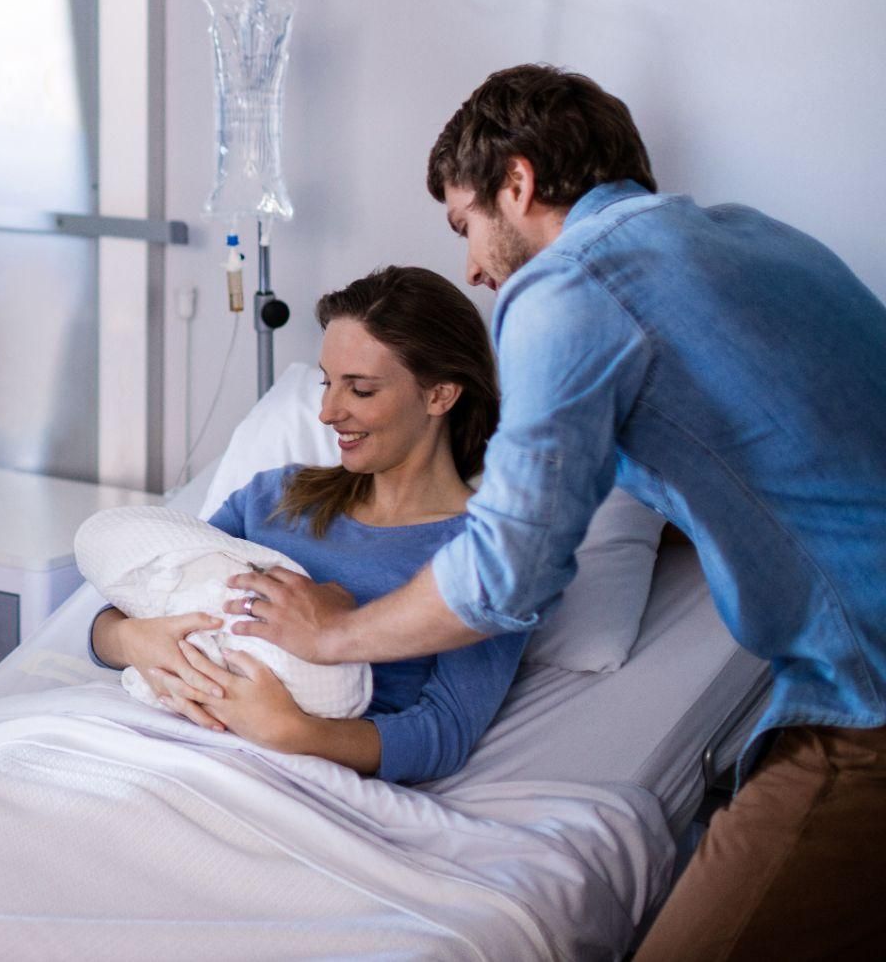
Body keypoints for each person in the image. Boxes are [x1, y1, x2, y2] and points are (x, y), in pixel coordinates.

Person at [231, 66, 886, 958]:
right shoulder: (757, 239)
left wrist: (333, 637)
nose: (471, 267)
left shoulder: (570, 286)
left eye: (465, 225)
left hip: (867, 694)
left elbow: (508, 572)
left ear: (519, 182)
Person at [91, 266, 525, 782]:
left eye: (360, 390)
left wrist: (290, 731)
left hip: (287, 782)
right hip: (151, 746)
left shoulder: (486, 557)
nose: (326, 412)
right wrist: (134, 642)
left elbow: (444, 732)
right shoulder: (274, 496)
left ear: (439, 396)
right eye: (326, 383)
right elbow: (122, 608)